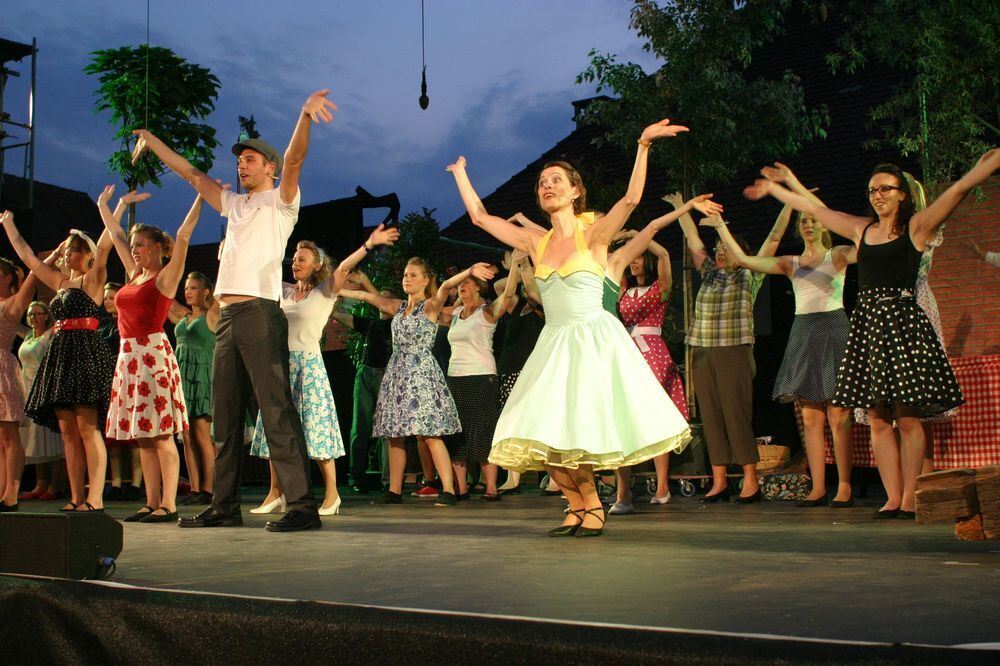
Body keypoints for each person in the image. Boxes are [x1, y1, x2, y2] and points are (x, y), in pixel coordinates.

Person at [447, 117, 693, 537]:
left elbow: (632, 199)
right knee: (541, 433)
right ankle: (577, 504)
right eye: (543, 181)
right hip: (553, 342)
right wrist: (461, 175)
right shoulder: (535, 242)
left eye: (557, 179)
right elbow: (479, 216)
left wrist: (643, 145)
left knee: (574, 430)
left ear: (576, 191)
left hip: (591, 339)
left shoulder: (594, 235)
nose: (548, 185)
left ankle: (591, 505)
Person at [743, 148, 999, 517]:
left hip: (903, 323)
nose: (877, 195)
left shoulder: (916, 228)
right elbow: (818, 211)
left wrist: (987, 165)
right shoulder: (862, 231)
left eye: (884, 189)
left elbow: (959, 189)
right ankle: (892, 497)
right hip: (868, 326)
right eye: (872, 190)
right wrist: (779, 190)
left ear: (902, 194)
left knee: (907, 417)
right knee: (877, 418)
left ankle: (911, 497)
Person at [132, 88, 337, 532]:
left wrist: (303, 114)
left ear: (269, 168)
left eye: (250, 159)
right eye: (239, 160)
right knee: (224, 416)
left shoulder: (281, 203)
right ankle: (224, 506)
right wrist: (152, 140)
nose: (241, 164)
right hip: (227, 318)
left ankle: (301, 506)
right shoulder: (234, 204)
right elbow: (190, 173)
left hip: (261, 314)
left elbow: (296, 159)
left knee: (276, 408)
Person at [704, 164, 854, 507]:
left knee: (838, 415)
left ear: (824, 225)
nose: (809, 223)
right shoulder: (792, 262)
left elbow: (864, 242)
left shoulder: (839, 255)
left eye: (813, 219)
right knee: (811, 416)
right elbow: (743, 258)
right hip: (804, 330)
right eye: (804, 220)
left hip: (833, 327)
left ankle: (844, 486)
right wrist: (721, 228)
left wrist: (802, 193)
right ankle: (817, 488)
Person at [250, 226, 398, 516]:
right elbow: (256, 277)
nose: (295, 262)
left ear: (316, 264)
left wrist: (369, 244)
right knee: (275, 431)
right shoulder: (283, 290)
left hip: (308, 367)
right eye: (294, 258)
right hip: (281, 365)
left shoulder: (325, 291)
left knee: (317, 431)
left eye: (302, 258)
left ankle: (331, 495)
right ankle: (275, 493)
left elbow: (344, 266)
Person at [669, 190, 791, 504]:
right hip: (703, 352)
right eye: (719, 248)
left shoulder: (750, 275)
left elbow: (774, 240)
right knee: (710, 415)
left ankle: (750, 480)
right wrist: (681, 208)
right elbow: (693, 238)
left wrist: (790, 205)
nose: (721, 252)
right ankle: (719, 480)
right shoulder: (709, 273)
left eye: (726, 248)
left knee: (736, 414)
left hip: (734, 350)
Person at [603, 195, 720, 513]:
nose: (636, 260)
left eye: (640, 257)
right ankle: (623, 493)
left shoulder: (660, 288)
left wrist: (638, 237)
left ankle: (664, 486)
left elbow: (666, 254)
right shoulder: (623, 289)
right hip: (628, 353)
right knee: (621, 420)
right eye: (634, 257)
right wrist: (624, 242)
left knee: (656, 419)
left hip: (653, 354)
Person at [2, 210, 117, 513]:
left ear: (85, 254)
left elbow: (105, 245)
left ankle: (95, 497)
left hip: (84, 352)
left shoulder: (92, 279)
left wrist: (111, 206)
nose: (65, 254)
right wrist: (8, 224)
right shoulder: (60, 280)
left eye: (71, 250)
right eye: (65, 251)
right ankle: (77, 496)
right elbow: (28, 258)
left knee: (87, 429)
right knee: (68, 432)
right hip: (61, 355)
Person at [97, 186, 199, 523]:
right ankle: (151, 501)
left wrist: (202, 195)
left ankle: (168, 503)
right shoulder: (134, 274)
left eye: (141, 245)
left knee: (160, 432)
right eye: (134, 245)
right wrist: (107, 204)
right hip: (129, 356)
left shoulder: (164, 278)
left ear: (156, 249)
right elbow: (115, 233)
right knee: (143, 434)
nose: (135, 250)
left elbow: (183, 236)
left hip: (151, 355)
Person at [340, 257, 462, 506]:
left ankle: (448, 489)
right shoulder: (397, 307)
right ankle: (394, 490)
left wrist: (469, 270)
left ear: (426, 279)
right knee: (394, 435)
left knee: (429, 433)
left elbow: (447, 285)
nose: (407, 278)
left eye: (414, 275)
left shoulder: (429, 306)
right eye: (406, 274)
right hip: (397, 374)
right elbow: (366, 298)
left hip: (421, 375)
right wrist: (331, 289)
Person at [437, 262, 515, 500]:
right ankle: (460, 488)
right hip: (456, 378)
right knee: (457, 433)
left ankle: (491, 487)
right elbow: (432, 307)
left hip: (482, 377)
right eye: (460, 284)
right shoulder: (456, 315)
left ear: (479, 288)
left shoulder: (487, 312)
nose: (462, 286)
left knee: (483, 431)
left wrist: (515, 267)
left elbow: (509, 294)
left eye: (467, 283)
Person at [332, 273, 393, 494]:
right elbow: (337, 315)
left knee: (387, 432)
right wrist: (336, 294)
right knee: (360, 428)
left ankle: (389, 482)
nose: (380, 303)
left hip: (388, 376)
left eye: (385, 299)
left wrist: (366, 282)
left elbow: (383, 303)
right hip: (366, 374)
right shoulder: (370, 324)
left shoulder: (398, 324)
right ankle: (356, 476)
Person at [169, 271, 220, 505]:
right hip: (182, 378)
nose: (188, 292)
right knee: (187, 436)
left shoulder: (212, 314)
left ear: (206, 291)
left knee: (202, 435)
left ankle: (209, 489)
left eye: (194, 288)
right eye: (187, 288)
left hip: (202, 378)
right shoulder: (183, 316)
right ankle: (196, 487)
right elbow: (163, 294)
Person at [0, 258, 42, 511]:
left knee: (9, 435)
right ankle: (2, 490)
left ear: (7, 277)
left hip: (3, 369)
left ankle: (12, 494)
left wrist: (52, 256)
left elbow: (35, 275)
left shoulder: (12, 304)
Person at [17, 300, 65, 501]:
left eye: (37, 313)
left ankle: (55, 486)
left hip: (43, 388)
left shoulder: (49, 334)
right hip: (26, 391)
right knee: (35, 441)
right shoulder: (28, 336)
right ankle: (40, 484)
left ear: (46, 315)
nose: (33, 317)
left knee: (50, 439)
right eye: (30, 314)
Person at [100, 280, 143, 502]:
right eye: (105, 297)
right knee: (113, 436)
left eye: (111, 297)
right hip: (109, 381)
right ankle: (115, 483)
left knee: (134, 436)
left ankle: (136, 483)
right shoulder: (102, 325)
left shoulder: (128, 322)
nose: (107, 301)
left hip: (129, 377)